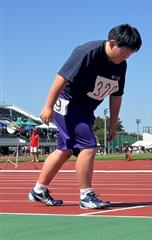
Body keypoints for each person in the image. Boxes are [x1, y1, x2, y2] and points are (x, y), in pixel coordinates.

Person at [28, 24, 142, 209]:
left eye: (131, 54)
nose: (127, 57)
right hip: (68, 103)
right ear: (112, 44)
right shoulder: (86, 52)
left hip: (86, 108)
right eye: (125, 52)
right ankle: (86, 195)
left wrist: (113, 124)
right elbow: (61, 78)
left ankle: (39, 190)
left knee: (65, 150)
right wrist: (48, 106)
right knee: (88, 145)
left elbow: (116, 95)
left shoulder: (121, 65)